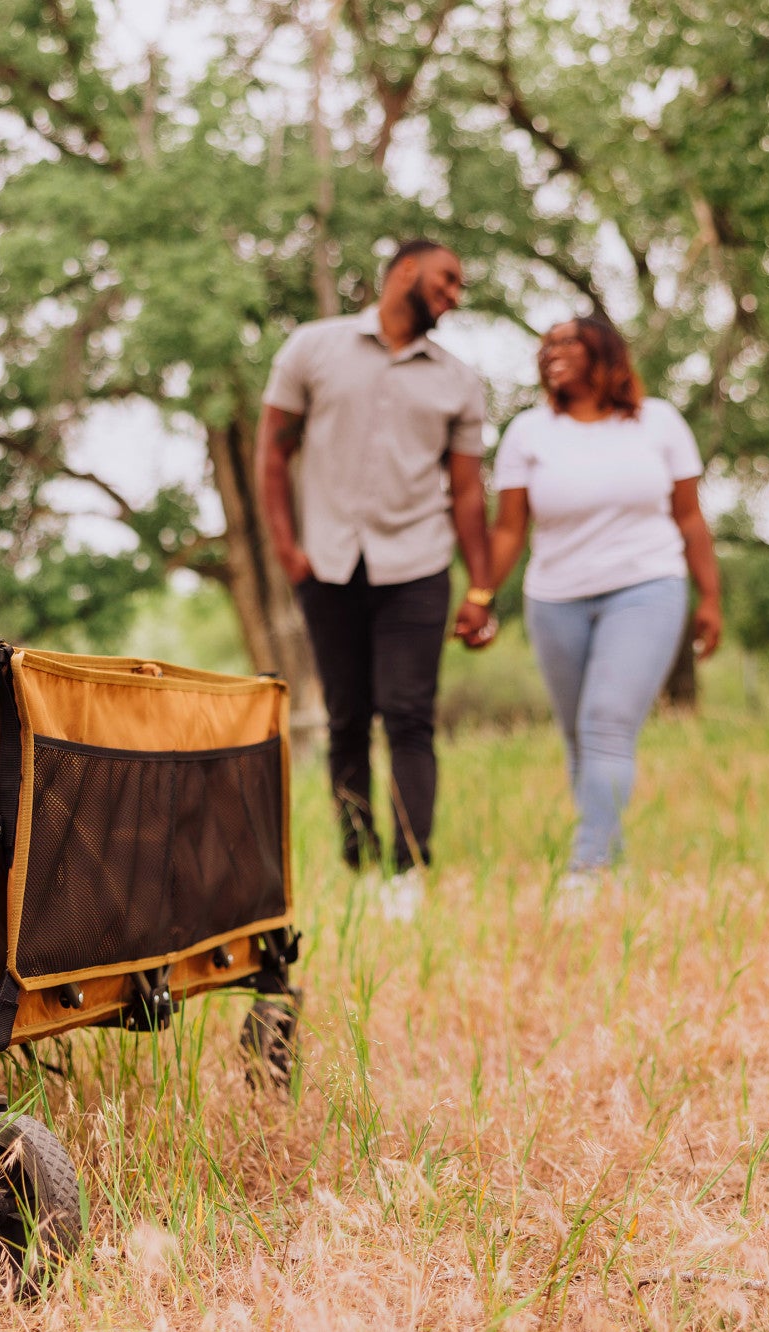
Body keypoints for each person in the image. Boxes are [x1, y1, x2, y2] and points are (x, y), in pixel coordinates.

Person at [256, 240, 495, 919]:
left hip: (417, 564)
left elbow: (470, 493)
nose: (455, 294)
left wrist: (480, 589)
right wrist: (287, 550)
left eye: (460, 286)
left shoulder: (459, 381)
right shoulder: (313, 348)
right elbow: (273, 452)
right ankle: (358, 858)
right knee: (347, 718)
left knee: (410, 716)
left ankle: (409, 868)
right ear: (405, 272)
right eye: (448, 279)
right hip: (329, 563)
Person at [486, 315, 721, 885]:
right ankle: (611, 865)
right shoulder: (528, 432)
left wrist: (709, 597)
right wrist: (479, 595)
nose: (553, 353)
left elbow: (689, 518)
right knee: (579, 737)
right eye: (547, 346)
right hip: (556, 598)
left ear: (604, 354)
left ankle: (586, 869)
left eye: (569, 342)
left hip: (646, 587)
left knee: (607, 724)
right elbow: (510, 529)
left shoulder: (658, 423)